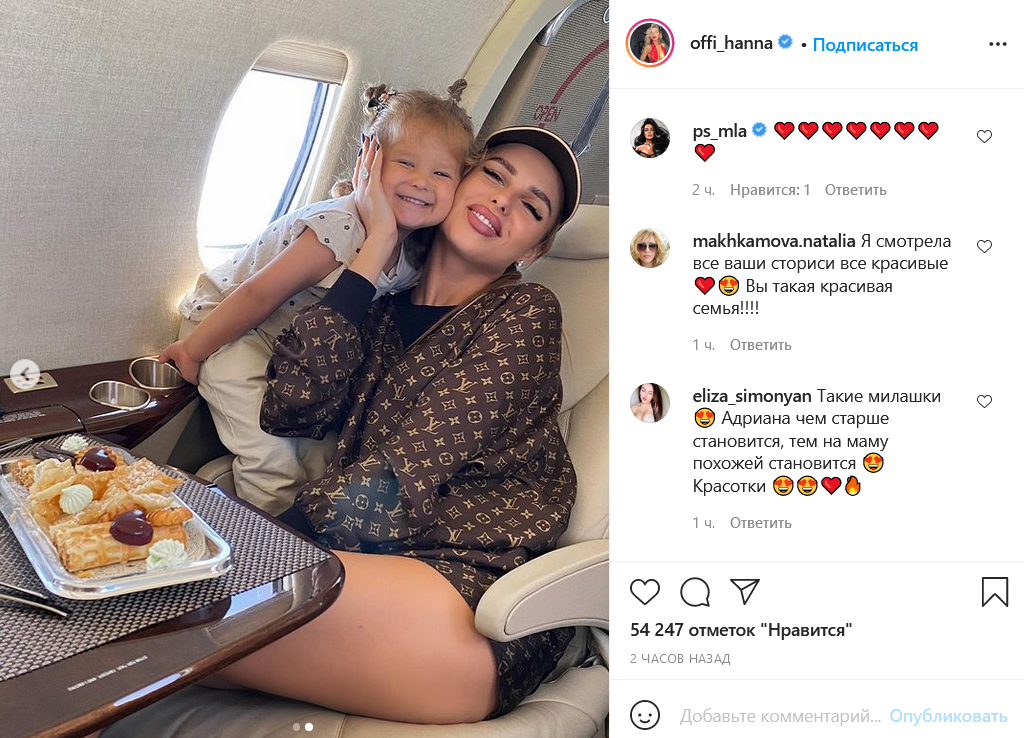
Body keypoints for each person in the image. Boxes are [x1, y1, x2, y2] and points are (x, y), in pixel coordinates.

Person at [194, 125, 584, 724]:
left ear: (533, 250)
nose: (503, 201)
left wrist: (257, 552)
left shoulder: (526, 313)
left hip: (472, 593)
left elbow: (401, 473)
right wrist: (375, 245)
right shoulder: (376, 311)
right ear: (458, 183)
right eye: (493, 175)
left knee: (163, 616)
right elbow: (292, 406)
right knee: (130, 624)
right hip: (367, 561)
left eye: (531, 207)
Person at [158, 81, 474, 515]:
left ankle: (296, 531)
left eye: (441, 174)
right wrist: (193, 350)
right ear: (369, 162)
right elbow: (258, 294)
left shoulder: (416, 254)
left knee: (323, 460)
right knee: (271, 461)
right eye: (406, 163)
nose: (421, 182)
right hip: (231, 329)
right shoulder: (338, 230)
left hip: (294, 356)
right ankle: (269, 544)